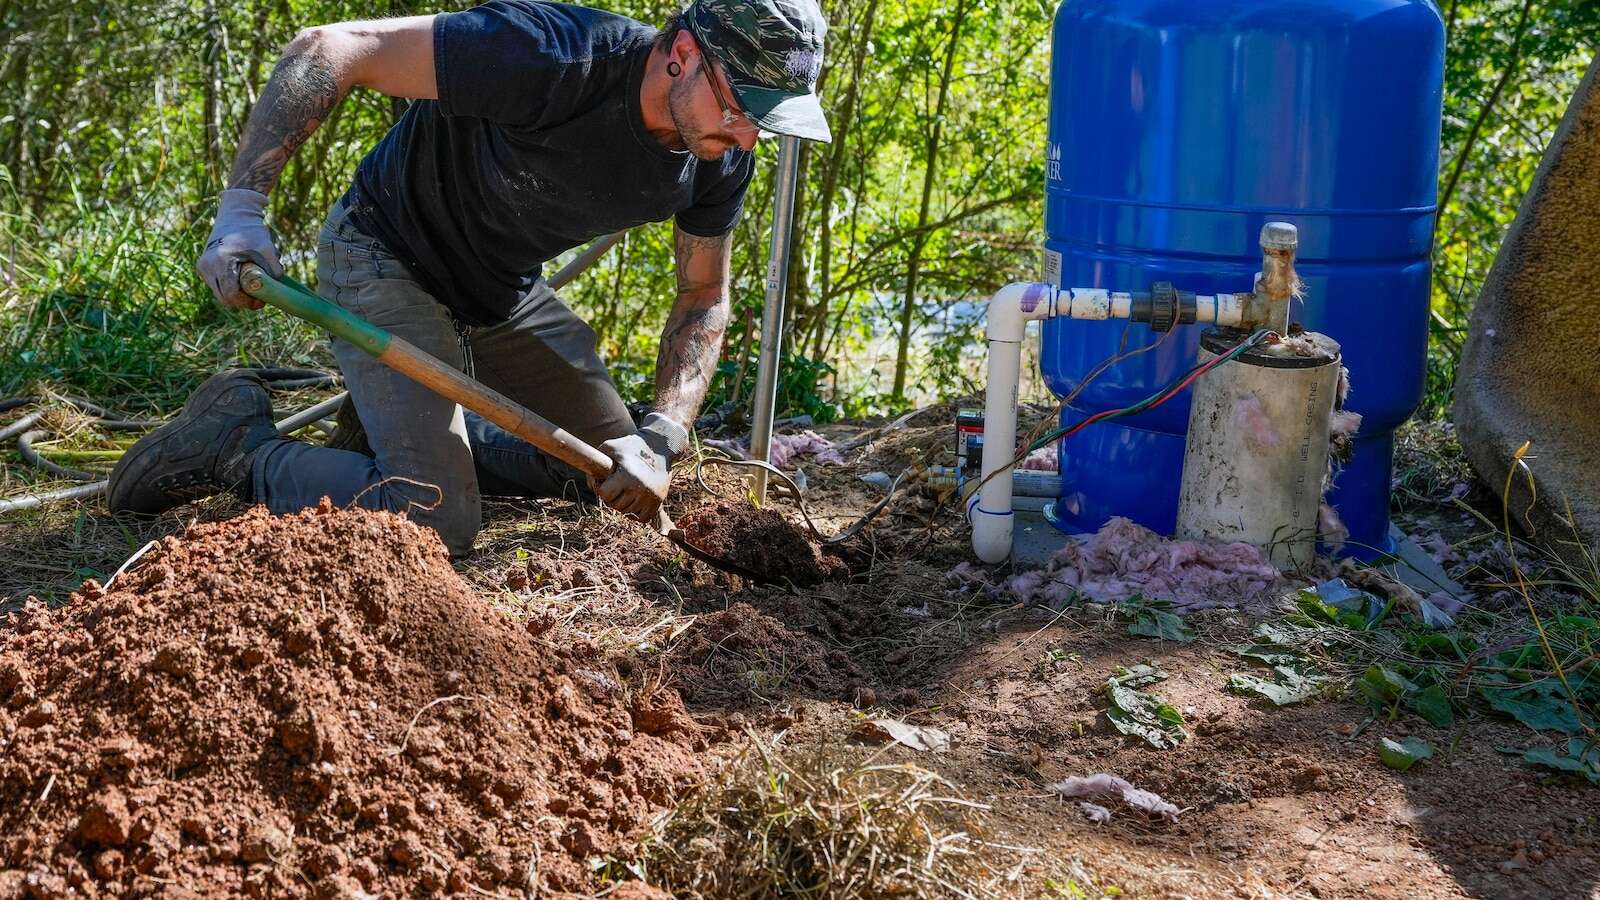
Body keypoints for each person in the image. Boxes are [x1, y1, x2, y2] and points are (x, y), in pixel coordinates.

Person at [107, 0, 830, 557]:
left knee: (610, 478)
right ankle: (235, 448)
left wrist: (663, 435)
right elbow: (331, 48)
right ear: (681, 55)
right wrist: (241, 211)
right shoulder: (550, 54)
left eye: (765, 122)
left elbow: (705, 295)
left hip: (499, 291)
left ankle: (401, 442)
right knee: (436, 521)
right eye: (741, 107)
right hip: (386, 255)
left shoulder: (719, 158)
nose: (745, 138)